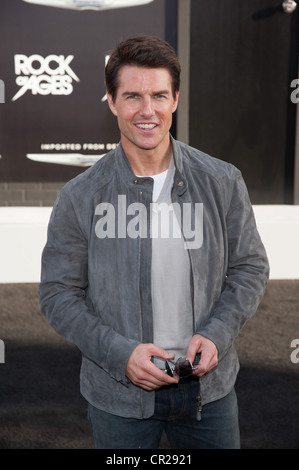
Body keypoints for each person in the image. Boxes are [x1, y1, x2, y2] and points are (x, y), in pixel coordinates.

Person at [39, 35, 269, 449]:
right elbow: (58, 294)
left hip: (208, 395)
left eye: (159, 95)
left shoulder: (222, 181)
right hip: (118, 400)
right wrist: (120, 355)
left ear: (175, 99)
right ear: (111, 101)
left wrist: (217, 334)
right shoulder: (81, 196)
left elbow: (250, 268)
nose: (147, 111)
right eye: (132, 96)